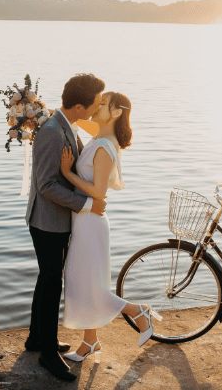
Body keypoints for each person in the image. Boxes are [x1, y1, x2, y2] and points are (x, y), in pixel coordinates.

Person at [59, 91, 160, 362]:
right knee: (84, 282)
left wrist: (68, 173)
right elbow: (75, 121)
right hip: (84, 221)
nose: (96, 106)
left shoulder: (104, 146)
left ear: (115, 112)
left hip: (91, 223)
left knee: (92, 286)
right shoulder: (100, 136)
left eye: (102, 104)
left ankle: (138, 311)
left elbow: (99, 192)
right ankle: (90, 342)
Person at [24, 73, 106, 382]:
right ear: (81, 105)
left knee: (47, 280)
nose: (97, 106)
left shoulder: (65, 124)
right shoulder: (52, 132)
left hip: (55, 220)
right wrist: (85, 205)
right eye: (96, 102)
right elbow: (45, 185)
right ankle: (47, 353)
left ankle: (36, 338)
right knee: (51, 283)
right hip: (47, 221)